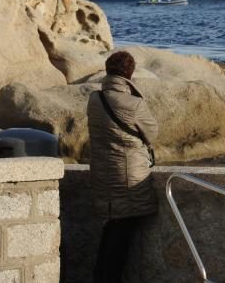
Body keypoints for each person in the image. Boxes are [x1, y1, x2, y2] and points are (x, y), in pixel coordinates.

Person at [87, 51, 158, 283]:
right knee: (123, 231)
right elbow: (152, 133)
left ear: (107, 70)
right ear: (130, 73)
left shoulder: (94, 99)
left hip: (103, 172)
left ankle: (100, 277)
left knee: (112, 225)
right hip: (129, 176)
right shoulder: (134, 103)